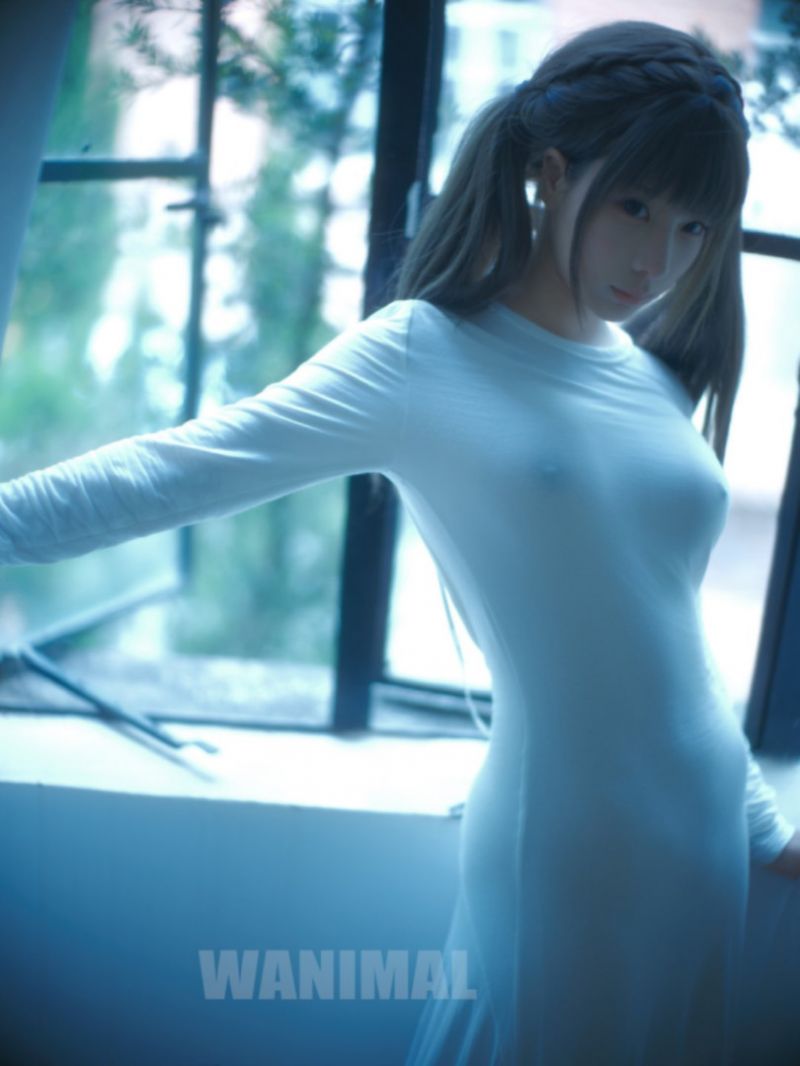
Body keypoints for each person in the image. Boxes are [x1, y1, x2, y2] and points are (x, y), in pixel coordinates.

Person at [0, 16, 799, 1065]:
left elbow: (663, 633)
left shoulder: (646, 375)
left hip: (701, 840)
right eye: (635, 206)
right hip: (572, 845)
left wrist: (759, 822)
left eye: (693, 226)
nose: (658, 259)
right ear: (551, 173)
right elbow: (171, 469)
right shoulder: (425, 354)